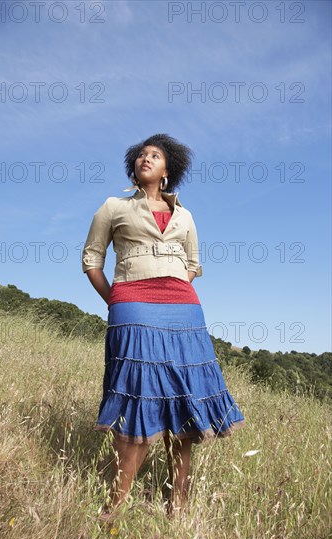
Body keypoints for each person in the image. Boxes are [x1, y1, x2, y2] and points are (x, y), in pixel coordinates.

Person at [81, 134, 245, 518]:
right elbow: (92, 260)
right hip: (132, 304)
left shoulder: (186, 216)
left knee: (183, 402)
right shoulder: (113, 206)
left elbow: (194, 264)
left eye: (154, 155)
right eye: (140, 154)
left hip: (184, 310)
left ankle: (178, 505)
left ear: (168, 170)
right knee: (140, 396)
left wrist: (176, 286)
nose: (145, 158)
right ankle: (114, 507)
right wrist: (117, 301)